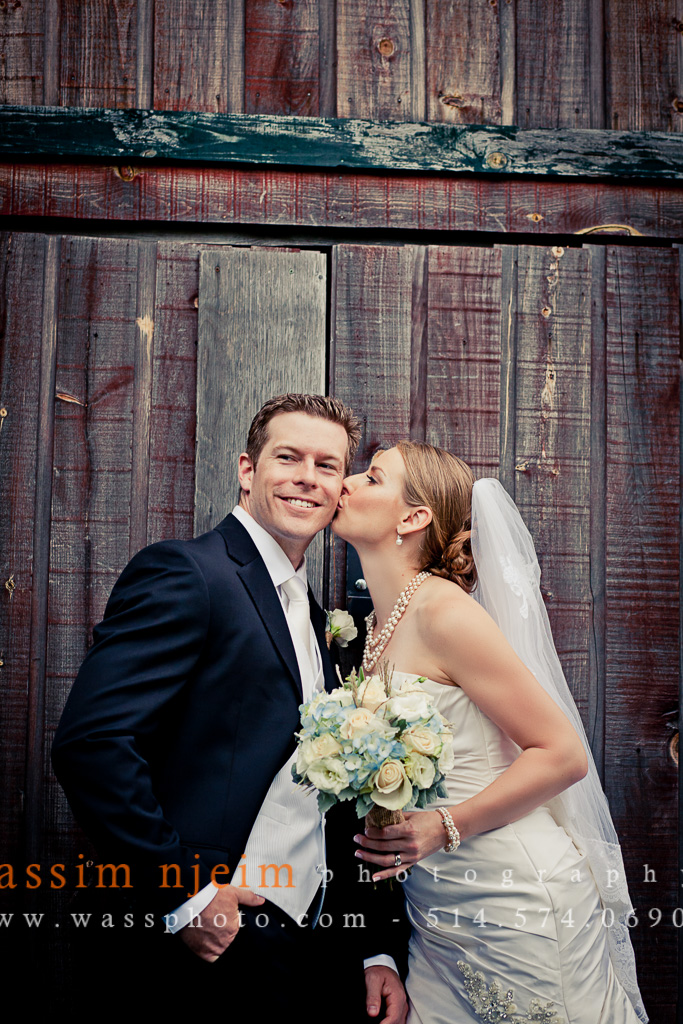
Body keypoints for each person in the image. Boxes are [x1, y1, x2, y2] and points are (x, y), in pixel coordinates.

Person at [52, 394, 408, 1023]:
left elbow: (341, 801)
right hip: (203, 946)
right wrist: (185, 893)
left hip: (310, 954)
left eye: (328, 466)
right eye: (288, 457)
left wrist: (373, 947)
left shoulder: (327, 621)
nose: (308, 477)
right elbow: (93, 743)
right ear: (248, 469)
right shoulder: (188, 573)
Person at [333, 440, 647, 1024]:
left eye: (371, 478)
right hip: (439, 911)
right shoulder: (374, 626)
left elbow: (562, 755)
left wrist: (443, 825)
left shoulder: (445, 614)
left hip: (513, 898)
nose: (346, 483)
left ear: (413, 517)